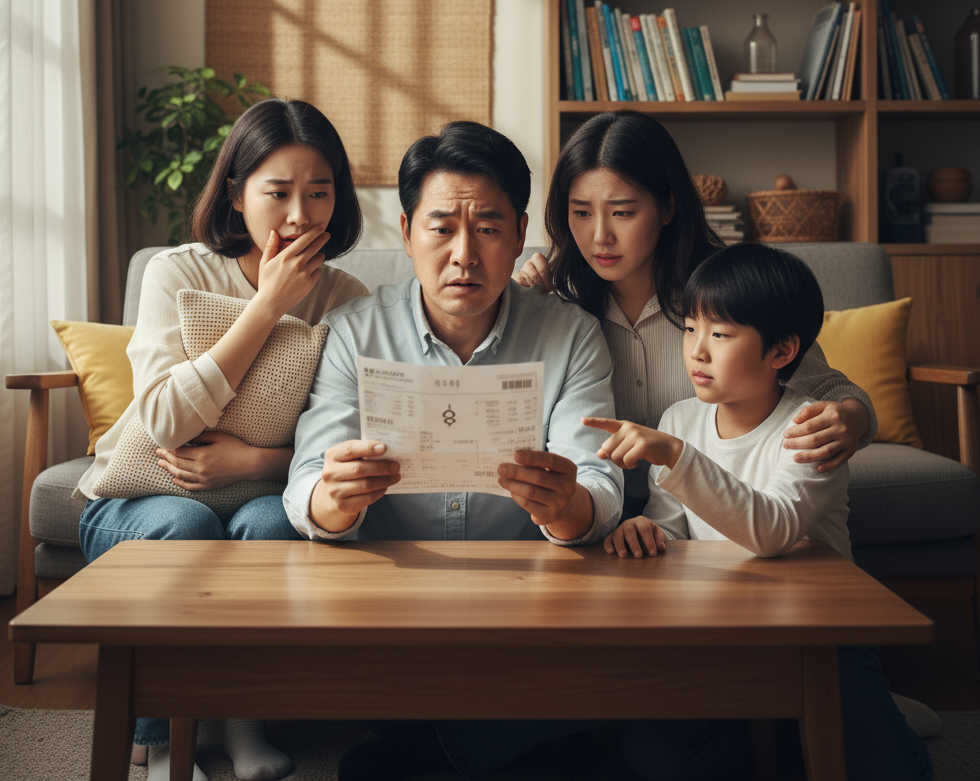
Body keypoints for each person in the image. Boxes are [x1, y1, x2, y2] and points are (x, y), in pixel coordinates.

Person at [284, 120, 622, 779]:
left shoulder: (572, 335)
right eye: (442, 228)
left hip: (529, 611)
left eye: (489, 229)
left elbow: (601, 487)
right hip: (393, 605)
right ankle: (501, 740)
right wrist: (333, 500)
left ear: (521, 234)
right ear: (407, 235)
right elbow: (305, 484)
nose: (465, 254)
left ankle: (449, 749)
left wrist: (568, 506)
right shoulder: (354, 332)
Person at [75, 98, 368, 781]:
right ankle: (147, 739)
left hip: (266, 492)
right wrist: (266, 307)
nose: (301, 215)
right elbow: (165, 422)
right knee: (184, 523)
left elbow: (353, 429)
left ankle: (243, 720)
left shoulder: (345, 296)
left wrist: (259, 459)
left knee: (273, 526)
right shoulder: (175, 273)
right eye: (279, 192)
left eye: (320, 193)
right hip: (140, 499)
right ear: (236, 195)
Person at [589, 243, 932, 781]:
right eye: (689, 329)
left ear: (781, 350)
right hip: (719, 627)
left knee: (886, 770)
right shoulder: (680, 417)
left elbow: (770, 531)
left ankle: (878, 718)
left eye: (720, 335)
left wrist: (674, 456)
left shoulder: (809, 428)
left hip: (819, 629)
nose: (697, 351)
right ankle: (781, 727)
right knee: (655, 754)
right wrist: (647, 528)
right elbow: (672, 518)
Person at [514, 110, 877, 523]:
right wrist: (522, 311)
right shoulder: (558, 298)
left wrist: (850, 415)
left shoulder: (721, 293)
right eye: (581, 213)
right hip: (589, 511)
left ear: (667, 207)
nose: (600, 236)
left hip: (717, 518)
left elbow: (829, 388)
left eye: (623, 212)